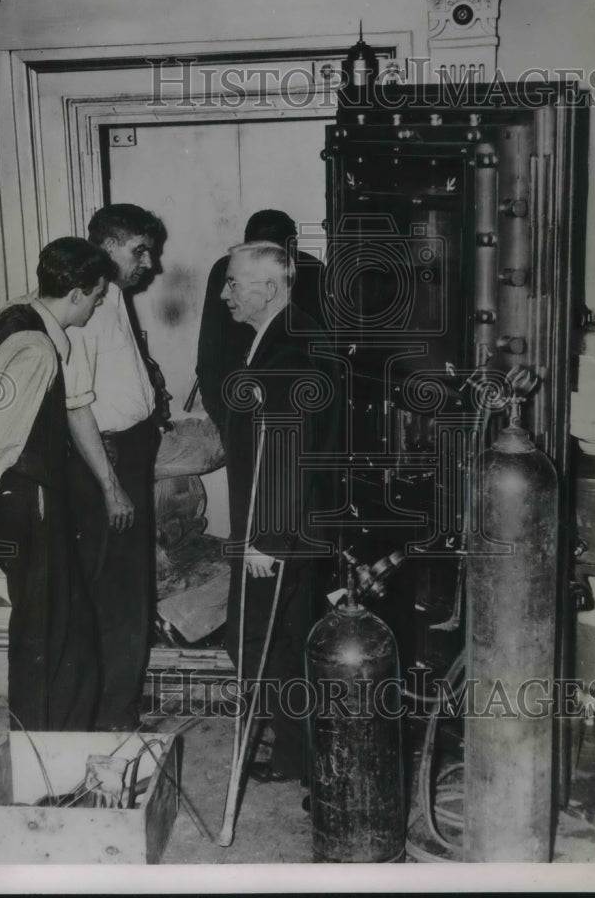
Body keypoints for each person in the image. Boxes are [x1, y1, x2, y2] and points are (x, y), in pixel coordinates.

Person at [0, 237, 115, 731]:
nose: (98, 304)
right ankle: (48, 749)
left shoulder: (10, 319)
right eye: (96, 295)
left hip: (14, 500)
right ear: (76, 293)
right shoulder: (37, 348)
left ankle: (38, 741)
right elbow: (1, 436)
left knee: (42, 626)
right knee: (56, 633)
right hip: (29, 497)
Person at [221, 242, 343, 785]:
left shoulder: (288, 350)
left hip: (281, 527)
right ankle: (307, 760)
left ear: (267, 289)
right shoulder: (285, 336)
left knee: (252, 640)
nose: (225, 294)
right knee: (291, 642)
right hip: (300, 523)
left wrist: (265, 541)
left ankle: (315, 759)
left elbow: (287, 451)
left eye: (233, 283)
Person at [65, 203, 167, 731]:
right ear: (107, 248)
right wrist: (110, 484)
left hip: (131, 448)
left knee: (131, 587)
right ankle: (111, 716)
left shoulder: (114, 297)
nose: (150, 263)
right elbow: (75, 403)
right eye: (139, 251)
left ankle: (117, 707)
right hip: (109, 456)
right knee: (119, 592)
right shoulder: (88, 306)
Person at [196, 209, 326, 434]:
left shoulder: (313, 272)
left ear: (291, 248)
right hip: (240, 401)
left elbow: (324, 350)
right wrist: (224, 418)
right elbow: (210, 353)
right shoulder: (225, 271)